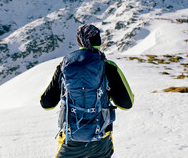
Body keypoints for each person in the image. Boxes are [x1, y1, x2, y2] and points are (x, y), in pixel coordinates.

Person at [40, 24, 134, 158]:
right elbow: (127, 104)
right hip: (101, 139)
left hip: (70, 140)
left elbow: (46, 104)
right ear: (99, 42)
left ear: (80, 41)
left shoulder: (65, 66)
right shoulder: (108, 66)